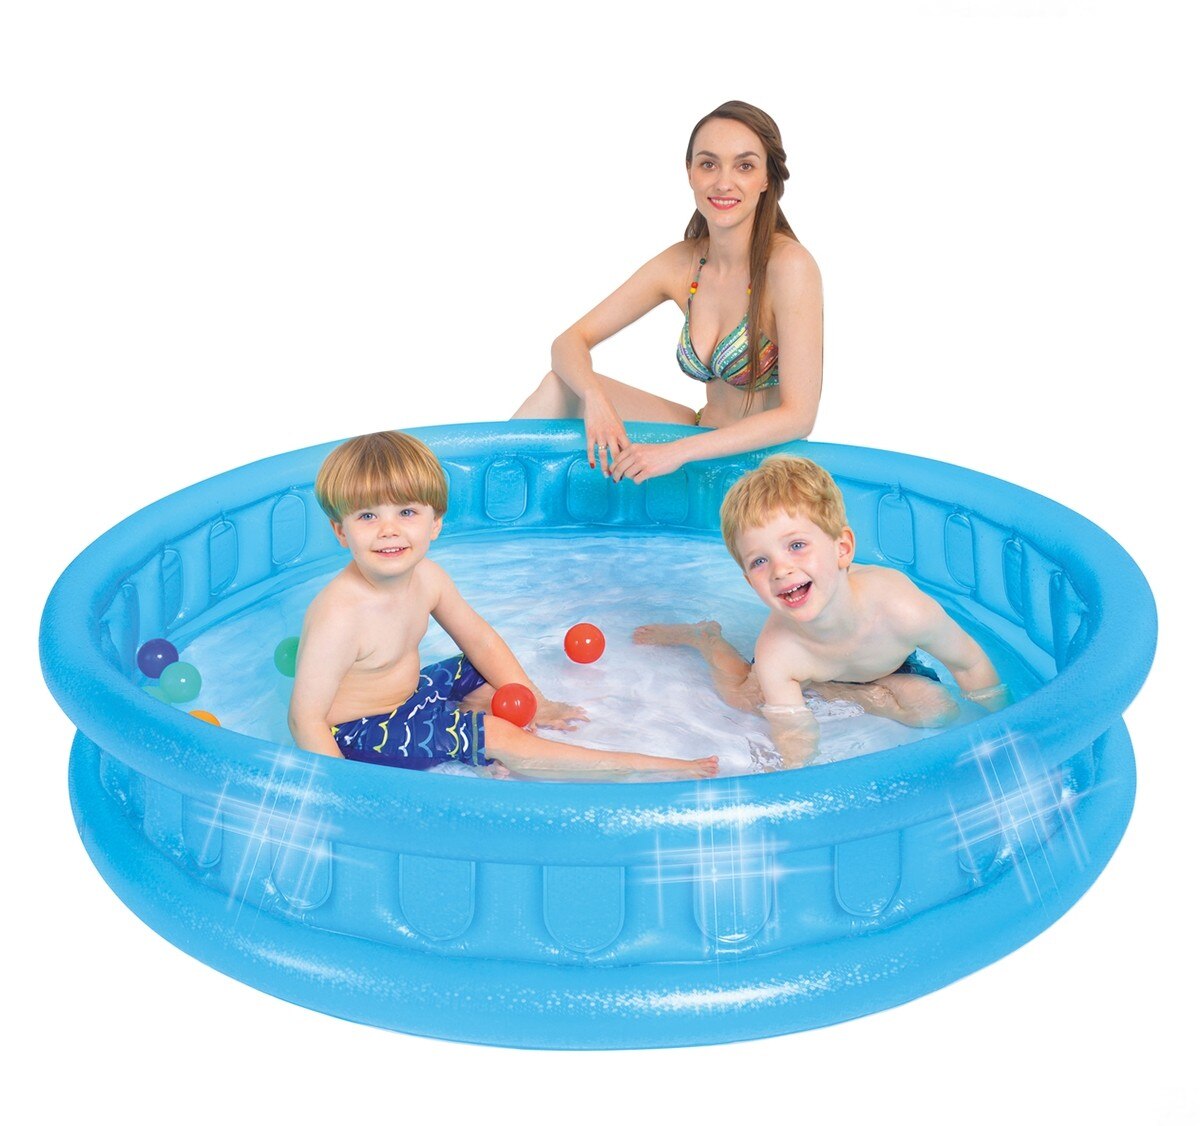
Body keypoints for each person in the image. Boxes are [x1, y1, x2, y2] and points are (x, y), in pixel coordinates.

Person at [288, 431, 718, 780]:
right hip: (362, 732)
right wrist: (341, 796)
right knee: (499, 732)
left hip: (411, 696)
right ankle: (647, 768)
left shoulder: (428, 578)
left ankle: (472, 739)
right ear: (340, 531)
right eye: (367, 516)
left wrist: (536, 700)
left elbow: (480, 639)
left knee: (486, 671)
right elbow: (305, 720)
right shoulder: (340, 615)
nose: (388, 530)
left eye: (406, 513)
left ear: (435, 523)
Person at [513, 100, 822, 484]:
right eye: (709, 164)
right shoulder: (683, 263)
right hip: (698, 432)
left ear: (767, 179)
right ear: (690, 172)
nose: (723, 182)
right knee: (562, 387)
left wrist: (676, 452)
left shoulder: (789, 266)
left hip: (762, 468)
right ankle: (475, 503)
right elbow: (568, 341)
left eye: (744, 166)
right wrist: (595, 399)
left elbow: (799, 416)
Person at [634, 455, 1009, 768]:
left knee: (937, 710)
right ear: (750, 583)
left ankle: (828, 689)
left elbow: (970, 665)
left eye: (796, 545)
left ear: (842, 549)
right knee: (743, 699)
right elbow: (793, 732)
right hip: (804, 668)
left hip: (885, 669)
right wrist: (793, 777)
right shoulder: (778, 651)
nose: (780, 569)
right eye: (760, 561)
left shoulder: (901, 609)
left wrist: (1006, 730)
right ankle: (706, 637)